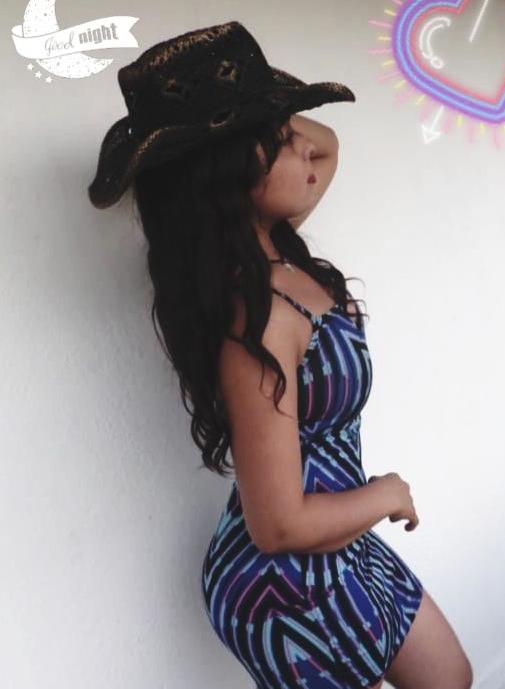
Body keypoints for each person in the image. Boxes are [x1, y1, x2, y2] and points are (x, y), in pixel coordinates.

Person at [88, 20, 473, 689]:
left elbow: (328, 145)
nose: (305, 149)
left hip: (335, 538)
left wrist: (259, 112)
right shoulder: (257, 317)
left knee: (450, 677)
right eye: (279, 139)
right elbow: (277, 525)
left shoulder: (276, 254)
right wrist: (385, 493)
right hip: (282, 584)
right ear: (230, 174)